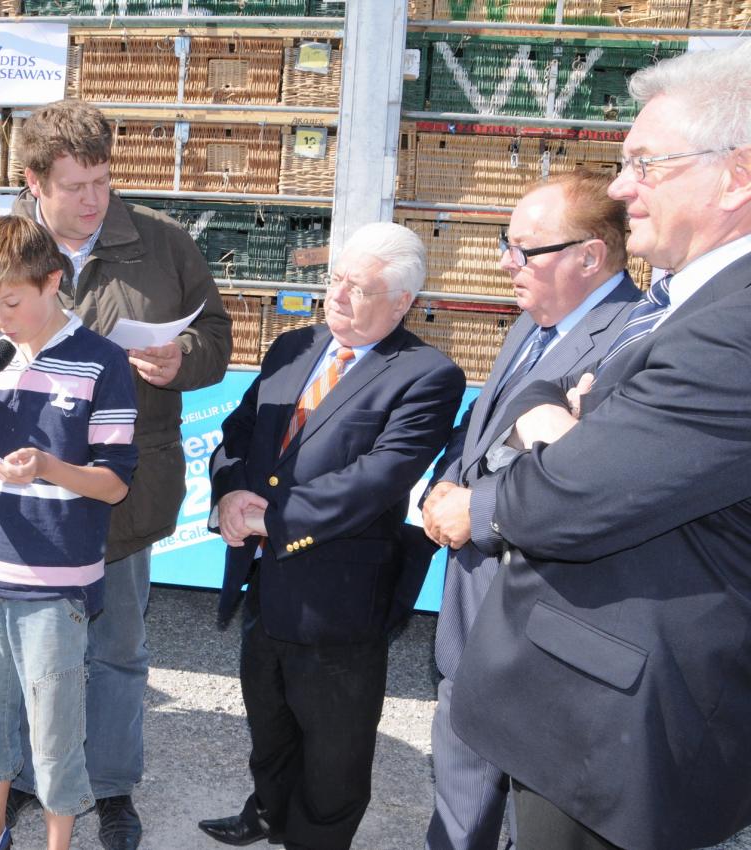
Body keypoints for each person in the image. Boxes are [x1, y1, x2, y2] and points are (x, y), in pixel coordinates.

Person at [447, 41, 751, 849]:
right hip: (589, 708)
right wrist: (561, 416)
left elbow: (559, 499)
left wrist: (549, 418)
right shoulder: (694, 307)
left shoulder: (735, 326)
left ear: (737, 175)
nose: (620, 189)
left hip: (621, 728)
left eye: (646, 164)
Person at [0, 98, 231, 850]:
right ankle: (19, 785)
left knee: (117, 650)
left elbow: (216, 336)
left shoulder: (163, 242)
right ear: (33, 181)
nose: (94, 199)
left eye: (103, 179)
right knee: (19, 662)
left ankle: (112, 787)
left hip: (119, 494)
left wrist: (180, 361)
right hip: (19, 506)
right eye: (74, 185)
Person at [199, 222, 465, 850]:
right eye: (335, 279)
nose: (339, 296)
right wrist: (229, 492)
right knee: (269, 716)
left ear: (401, 302)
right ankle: (266, 810)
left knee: (335, 746)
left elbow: (377, 479)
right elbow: (239, 433)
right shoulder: (293, 346)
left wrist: (274, 515)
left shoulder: (427, 374)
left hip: (339, 596)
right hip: (266, 579)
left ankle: (315, 839)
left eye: (360, 288)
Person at [419, 171, 639, 850]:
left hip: (540, 613)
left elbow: (598, 480)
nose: (505, 261)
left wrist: (475, 506)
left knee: (533, 811)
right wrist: (442, 485)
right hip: (475, 605)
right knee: (459, 790)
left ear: (589, 257)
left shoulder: (631, 341)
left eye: (524, 248)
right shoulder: (532, 323)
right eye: (505, 243)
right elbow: (483, 429)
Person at [0, 215, 138, 850]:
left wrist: (49, 468)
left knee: (54, 727)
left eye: (11, 302)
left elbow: (116, 482)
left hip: (55, 581)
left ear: (52, 281)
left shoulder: (102, 363)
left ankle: (58, 840)